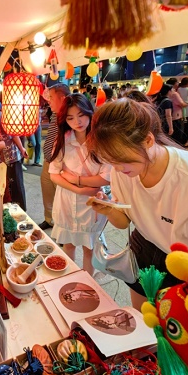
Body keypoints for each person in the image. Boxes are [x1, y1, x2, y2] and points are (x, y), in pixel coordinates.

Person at [87, 99, 188, 311]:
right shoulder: (122, 169)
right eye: (110, 160)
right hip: (144, 247)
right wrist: (109, 210)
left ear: (148, 140)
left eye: (122, 159)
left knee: (179, 327)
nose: (117, 168)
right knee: (144, 319)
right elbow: (123, 222)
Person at [49, 94, 110, 274]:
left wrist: (76, 179)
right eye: (70, 118)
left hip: (92, 203)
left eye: (81, 115)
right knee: (68, 245)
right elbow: (54, 174)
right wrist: (78, 189)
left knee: (89, 248)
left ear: (89, 112)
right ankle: (69, 279)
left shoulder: (102, 140)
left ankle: (87, 284)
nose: (77, 122)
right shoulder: (63, 140)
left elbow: (106, 177)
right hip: (67, 200)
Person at [39, 83, 71, 230]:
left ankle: (62, 226)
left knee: (62, 198)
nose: (49, 101)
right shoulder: (55, 114)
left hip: (61, 166)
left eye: (51, 97)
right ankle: (49, 220)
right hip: (48, 161)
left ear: (62, 98)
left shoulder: (70, 117)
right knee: (48, 193)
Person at [166, 78, 187, 144]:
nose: (178, 84)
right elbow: (182, 104)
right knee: (177, 136)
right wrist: (187, 103)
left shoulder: (167, 93)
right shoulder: (174, 94)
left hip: (169, 117)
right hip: (176, 116)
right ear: (174, 84)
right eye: (177, 82)